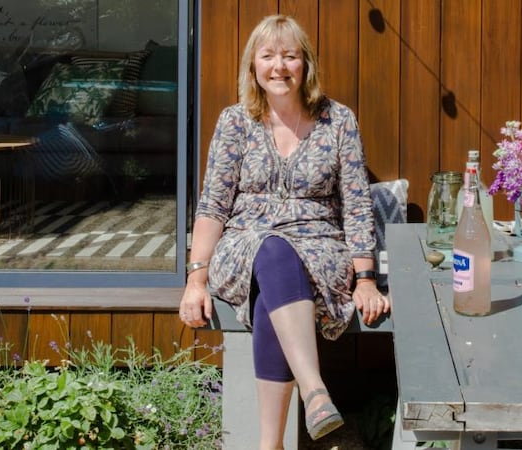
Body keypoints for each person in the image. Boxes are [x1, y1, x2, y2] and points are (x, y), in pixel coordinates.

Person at [178, 14, 391, 449]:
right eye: (268, 55)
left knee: (272, 285)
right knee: (272, 250)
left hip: (320, 250)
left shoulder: (339, 121)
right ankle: (315, 391)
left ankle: (269, 445)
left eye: (290, 56)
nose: (279, 66)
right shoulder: (235, 122)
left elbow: (356, 205)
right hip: (244, 246)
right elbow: (214, 205)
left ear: (305, 64)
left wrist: (366, 279)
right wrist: (195, 279)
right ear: (253, 66)